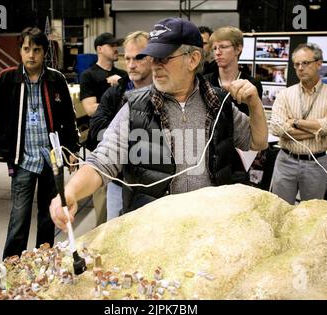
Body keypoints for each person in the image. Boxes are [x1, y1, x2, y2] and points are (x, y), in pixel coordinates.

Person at [50, 17, 268, 231]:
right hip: (154, 232)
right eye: (153, 58)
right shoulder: (135, 108)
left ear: (192, 59)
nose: (155, 66)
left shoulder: (219, 104)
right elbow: (102, 161)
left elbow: (257, 142)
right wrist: (70, 192)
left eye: (163, 58)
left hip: (210, 227)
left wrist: (255, 105)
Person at [0, 27, 79, 260]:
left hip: (51, 161)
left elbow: (68, 116)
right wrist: (4, 144)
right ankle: (11, 266)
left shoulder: (56, 79)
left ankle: (43, 260)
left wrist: (72, 149)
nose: (31, 54)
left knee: (48, 216)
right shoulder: (6, 79)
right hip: (23, 161)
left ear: (44, 52)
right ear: (20, 52)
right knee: (19, 219)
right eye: (26, 49)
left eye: (37, 49)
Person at [87, 31, 153, 220]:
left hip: (155, 184)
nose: (131, 65)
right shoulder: (114, 94)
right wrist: (128, 139)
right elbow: (96, 131)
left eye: (139, 58)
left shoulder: (166, 94)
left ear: (152, 58)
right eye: (128, 58)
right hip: (118, 180)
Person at [270, 43, 327, 204]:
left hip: (316, 163)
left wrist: (294, 122)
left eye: (305, 63)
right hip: (286, 160)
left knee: (312, 214)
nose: (300, 68)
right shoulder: (285, 94)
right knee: (280, 210)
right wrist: (316, 130)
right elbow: (276, 128)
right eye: (296, 64)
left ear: (319, 63)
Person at [204, 26, 263, 115]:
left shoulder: (252, 84)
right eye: (215, 48)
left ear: (238, 49)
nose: (217, 53)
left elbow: (254, 118)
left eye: (223, 47)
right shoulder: (204, 82)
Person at [79, 32, 128, 118]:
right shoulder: (88, 75)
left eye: (116, 45)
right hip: (101, 127)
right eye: (112, 45)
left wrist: (122, 83)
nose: (116, 48)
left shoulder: (123, 75)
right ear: (99, 49)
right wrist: (119, 106)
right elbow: (90, 110)